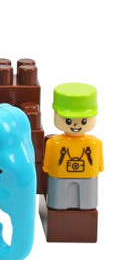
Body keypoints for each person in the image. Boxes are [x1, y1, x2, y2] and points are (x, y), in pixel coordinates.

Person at [43, 83, 103, 211]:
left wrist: (99, 166)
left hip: (88, 177)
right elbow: (48, 160)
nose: (76, 125)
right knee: (59, 202)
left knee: (87, 202)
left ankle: (85, 206)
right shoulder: (54, 143)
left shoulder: (94, 143)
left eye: (84, 121)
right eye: (68, 121)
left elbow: (99, 162)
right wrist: (47, 166)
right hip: (59, 177)